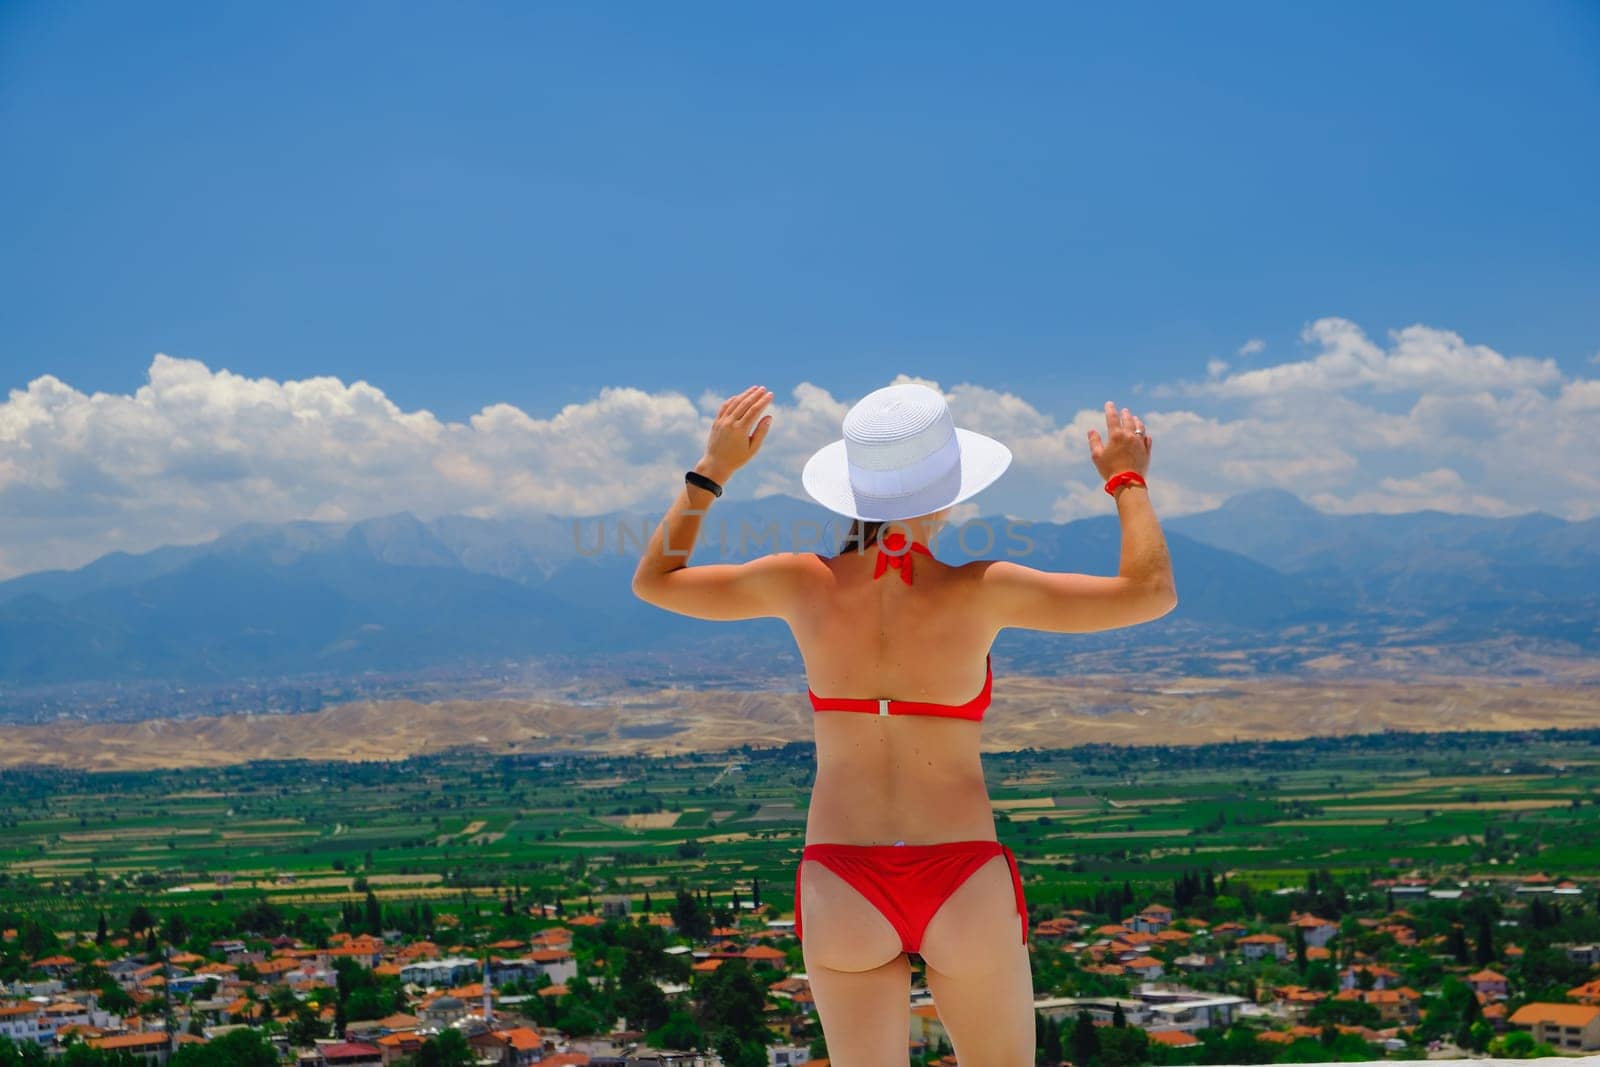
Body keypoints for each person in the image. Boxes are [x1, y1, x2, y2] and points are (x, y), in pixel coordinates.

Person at [631, 382, 1177, 1066]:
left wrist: (712, 469)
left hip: (841, 879)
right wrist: (1127, 478)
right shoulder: (983, 590)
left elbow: (655, 580)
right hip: (963, 878)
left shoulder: (801, 583)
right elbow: (1151, 591)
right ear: (948, 490)